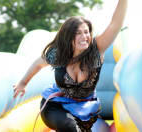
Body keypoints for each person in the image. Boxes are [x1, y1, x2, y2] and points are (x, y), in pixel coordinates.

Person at [13, 0, 128, 131]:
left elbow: (115, 24)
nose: (84, 36)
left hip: (85, 109)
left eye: (86, 32)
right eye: (78, 33)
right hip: (56, 106)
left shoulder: (96, 50)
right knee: (72, 127)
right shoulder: (59, 53)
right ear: (68, 36)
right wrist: (22, 83)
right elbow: (38, 64)